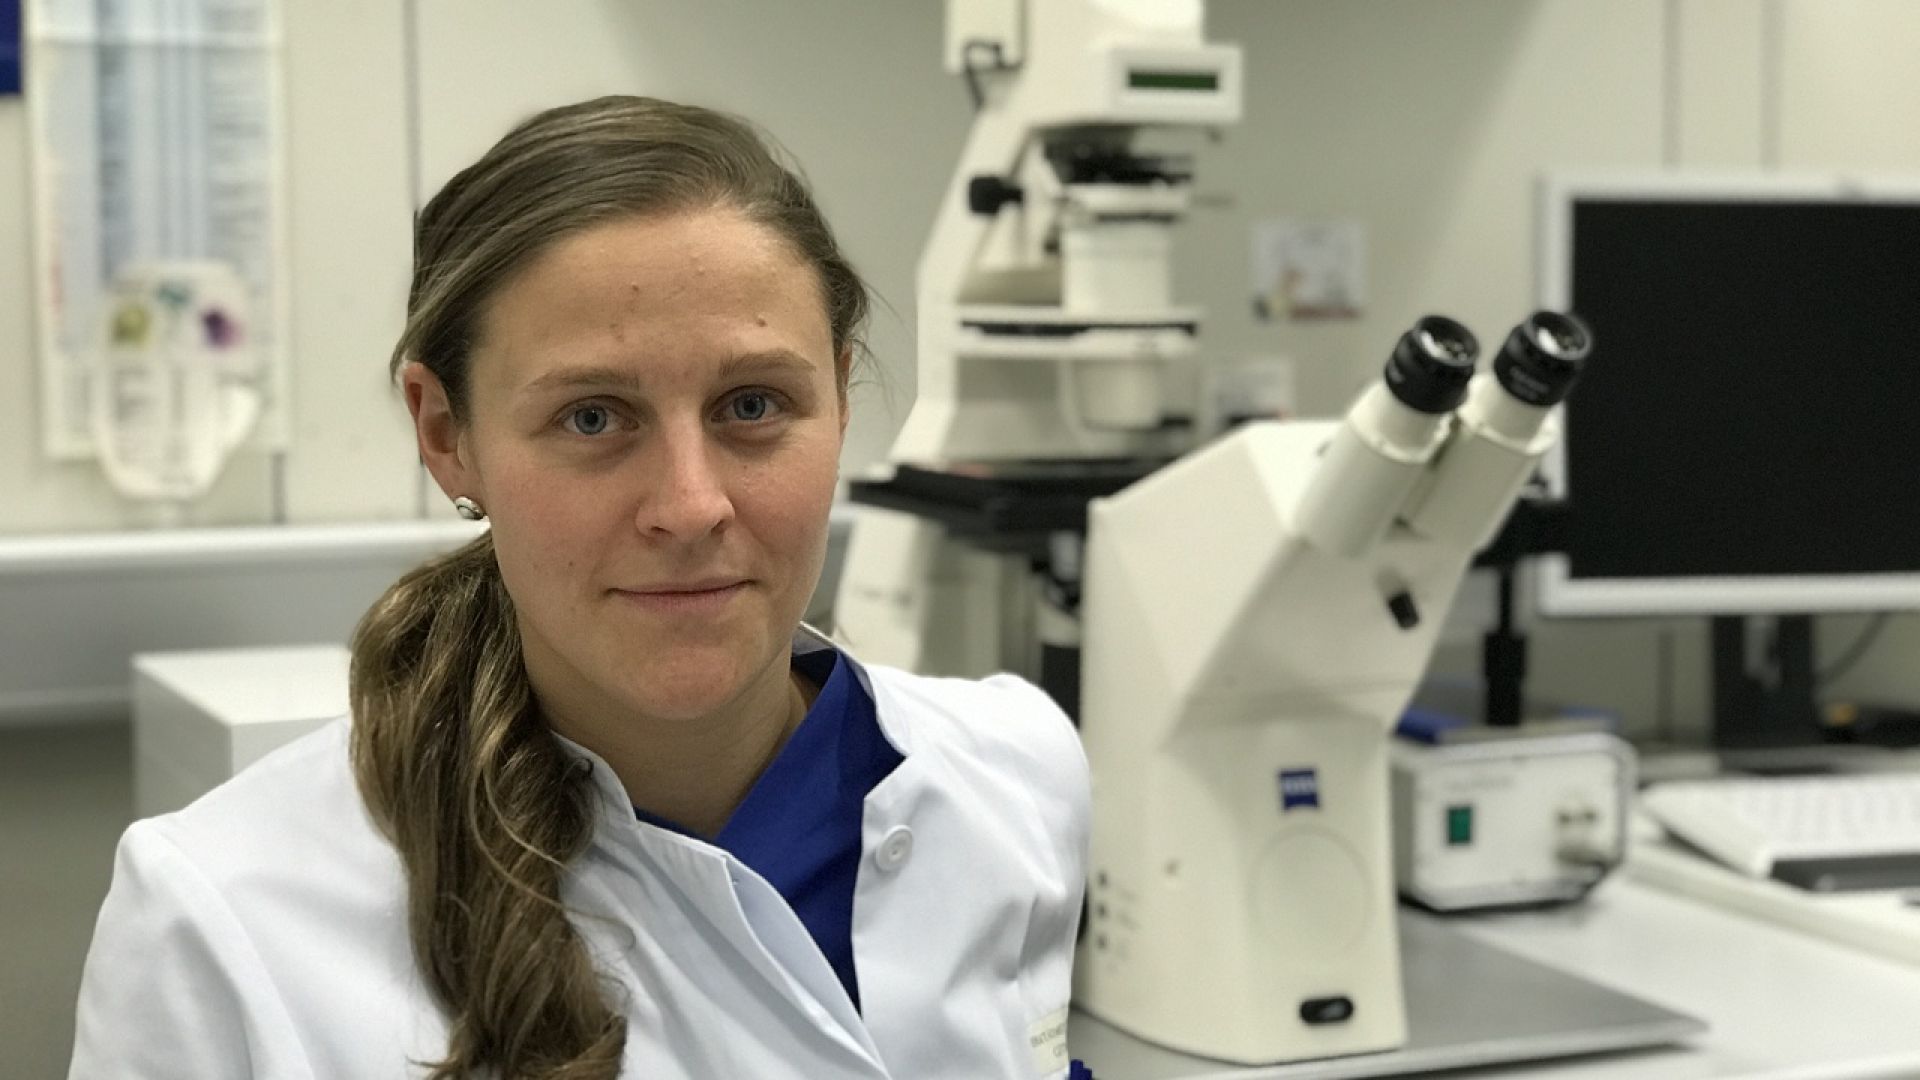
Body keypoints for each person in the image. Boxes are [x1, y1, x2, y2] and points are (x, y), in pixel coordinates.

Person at [68, 95, 1090, 1079]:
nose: (690, 506)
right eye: (592, 418)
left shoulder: (1016, 778)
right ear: (446, 434)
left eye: (752, 404)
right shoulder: (224, 921)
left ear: (841, 398)